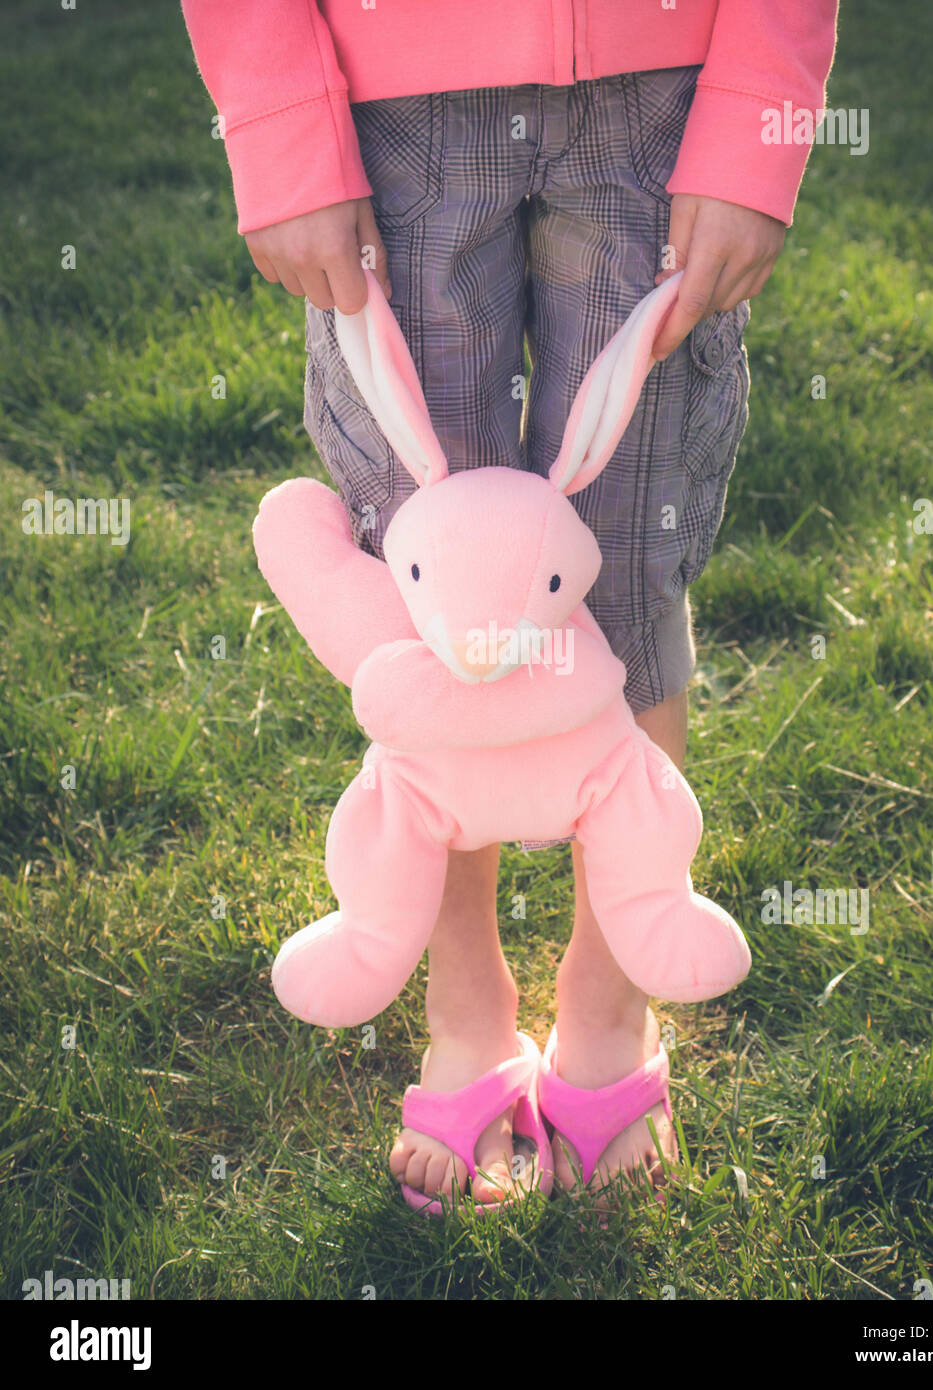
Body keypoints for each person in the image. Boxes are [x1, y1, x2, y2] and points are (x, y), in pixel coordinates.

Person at [180, 0, 839, 1207]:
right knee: (448, 602)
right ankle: (467, 1004)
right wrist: (279, 126)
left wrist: (757, 117)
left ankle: (604, 1006)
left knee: (623, 581)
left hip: (662, 98)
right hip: (386, 113)